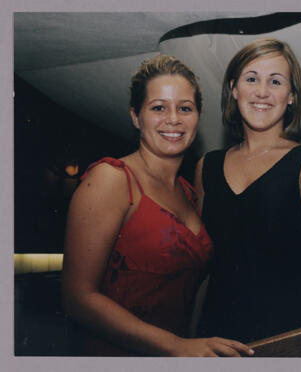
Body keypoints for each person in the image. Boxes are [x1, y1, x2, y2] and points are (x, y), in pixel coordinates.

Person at [62, 55, 254, 357]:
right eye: (158, 107)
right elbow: (78, 297)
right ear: (136, 116)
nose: (173, 118)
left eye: (185, 108)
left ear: (198, 116)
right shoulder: (111, 179)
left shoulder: (190, 193)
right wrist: (176, 346)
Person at [194, 38, 301, 343]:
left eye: (275, 81)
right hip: (215, 339)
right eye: (251, 79)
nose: (262, 92)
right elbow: (203, 271)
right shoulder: (206, 166)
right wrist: (190, 338)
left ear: (291, 97)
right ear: (234, 89)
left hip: (284, 339)